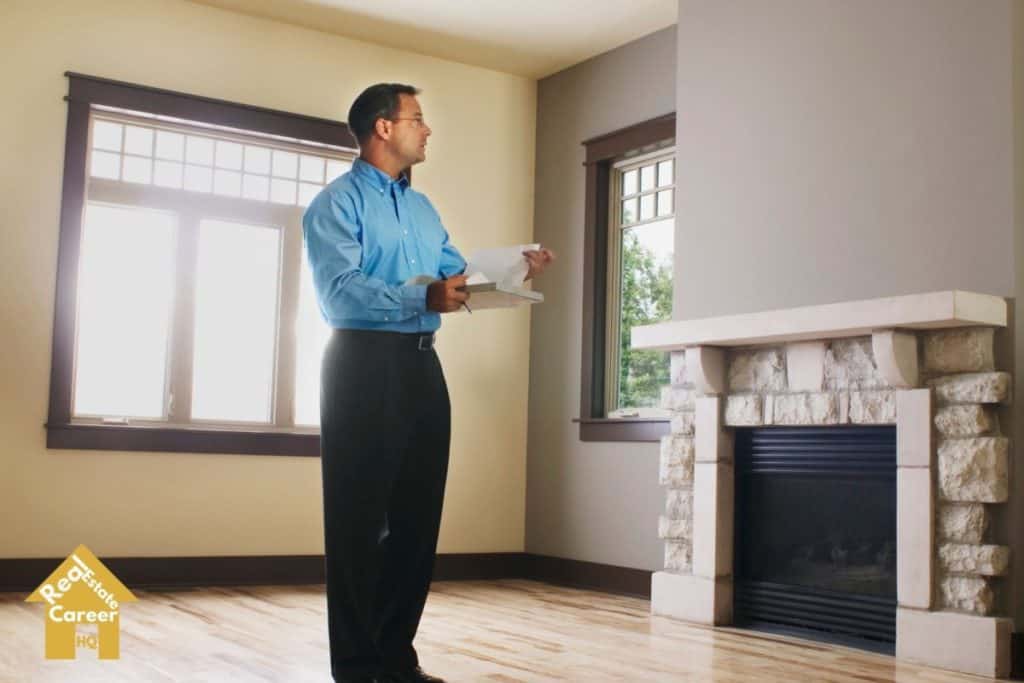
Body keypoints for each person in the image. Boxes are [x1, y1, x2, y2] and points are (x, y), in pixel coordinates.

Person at [302, 83, 554, 683]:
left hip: (421, 365)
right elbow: (339, 293)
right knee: (360, 522)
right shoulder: (335, 205)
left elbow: (454, 276)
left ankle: (396, 658)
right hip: (360, 365)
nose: (427, 129)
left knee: (417, 522)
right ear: (383, 128)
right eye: (417, 118)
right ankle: (360, 668)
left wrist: (514, 266)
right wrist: (424, 295)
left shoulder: (422, 209)